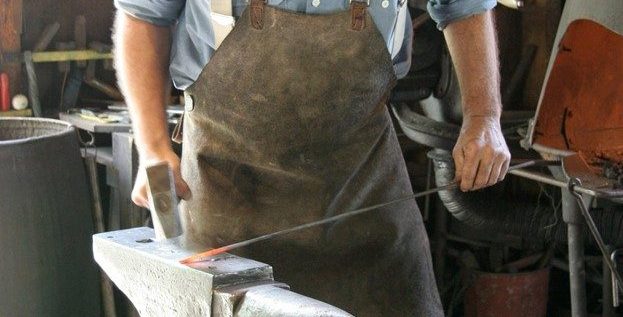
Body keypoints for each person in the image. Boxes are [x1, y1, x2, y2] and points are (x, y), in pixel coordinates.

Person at [113, 0, 510, 315]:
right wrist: (152, 145)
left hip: (364, 193)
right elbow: (143, 17)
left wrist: (484, 117)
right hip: (227, 192)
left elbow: (467, 6)